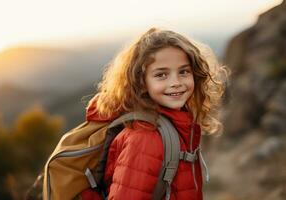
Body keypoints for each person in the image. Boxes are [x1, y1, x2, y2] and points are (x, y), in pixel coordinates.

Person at [80, 27, 228, 200]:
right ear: (141, 82)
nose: (176, 82)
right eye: (162, 75)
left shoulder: (174, 123)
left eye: (183, 71)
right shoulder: (144, 138)